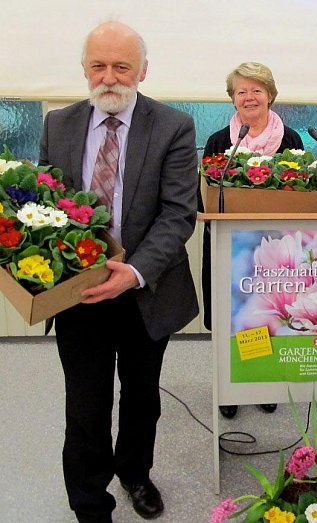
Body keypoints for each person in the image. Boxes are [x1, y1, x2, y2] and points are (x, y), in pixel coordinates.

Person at [38, 21, 199, 522]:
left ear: (142, 71)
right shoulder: (58, 124)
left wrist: (131, 272)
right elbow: (47, 207)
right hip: (78, 293)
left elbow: (178, 214)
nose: (109, 77)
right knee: (84, 406)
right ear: (85, 69)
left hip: (145, 290)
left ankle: (135, 473)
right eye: (98, 66)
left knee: (141, 395)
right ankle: (89, 501)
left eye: (121, 67)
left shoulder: (174, 126)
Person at [200, 62, 303, 419]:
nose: (249, 97)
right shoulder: (218, 141)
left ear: (270, 95)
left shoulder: (290, 141)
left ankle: (260, 382)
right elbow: (206, 196)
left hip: (272, 248)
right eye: (241, 91)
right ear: (232, 99)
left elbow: (300, 193)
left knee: (263, 313)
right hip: (229, 246)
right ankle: (230, 385)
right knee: (232, 312)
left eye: (256, 90)